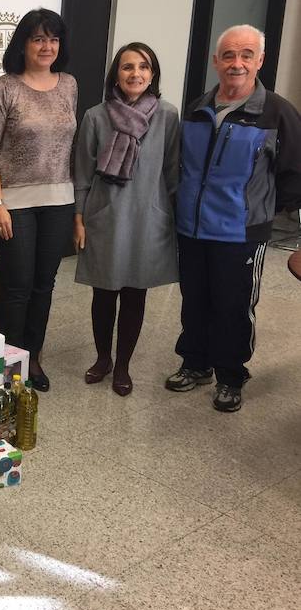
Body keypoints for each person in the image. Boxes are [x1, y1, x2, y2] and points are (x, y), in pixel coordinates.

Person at [167, 24, 301, 411]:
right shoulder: (197, 108)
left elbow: (295, 172)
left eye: (246, 55)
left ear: (260, 61)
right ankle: (195, 363)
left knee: (233, 304)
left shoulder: (277, 113)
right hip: (192, 229)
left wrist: (263, 211)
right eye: (228, 55)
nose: (236, 63)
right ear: (215, 61)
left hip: (240, 233)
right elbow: (181, 167)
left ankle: (230, 375)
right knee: (194, 299)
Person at [0, 8, 77, 392]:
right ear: (23, 44)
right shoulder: (5, 87)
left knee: (44, 285)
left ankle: (33, 356)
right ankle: (8, 363)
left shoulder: (68, 84)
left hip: (59, 199)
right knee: (17, 286)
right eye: (38, 38)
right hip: (13, 203)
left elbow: (69, 145)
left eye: (53, 39)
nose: (46, 46)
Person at [73, 42, 180, 396]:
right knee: (103, 293)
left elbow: (172, 170)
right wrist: (79, 218)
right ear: (116, 76)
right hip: (105, 216)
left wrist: (173, 218)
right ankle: (103, 358)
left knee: (135, 294)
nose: (136, 73)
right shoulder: (95, 116)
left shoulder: (167, 115)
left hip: (149, 217)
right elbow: (83, 174)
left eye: (144, 67)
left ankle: (123, 365)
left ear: (153, 74)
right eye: (127, 67)